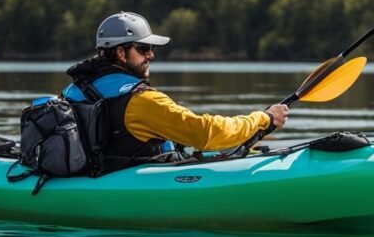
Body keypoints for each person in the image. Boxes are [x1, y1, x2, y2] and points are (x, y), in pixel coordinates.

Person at [63, 12, 288, 173]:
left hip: (92, 176)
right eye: (143, 48)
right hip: (129, 185)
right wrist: (262, 118)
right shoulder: (142, 101)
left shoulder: (73, 90)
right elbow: (206, 133)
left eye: (151, 48)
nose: (151, 55)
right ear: (120, 52)